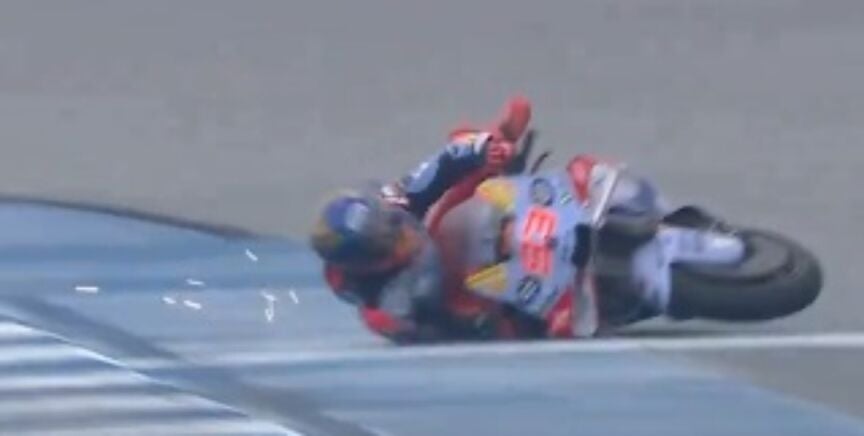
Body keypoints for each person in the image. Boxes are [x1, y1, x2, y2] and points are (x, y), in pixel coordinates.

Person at [308, 97, 531, 344]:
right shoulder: (389, 303)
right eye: (388, 243)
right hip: (444, 293)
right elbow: (428, 333)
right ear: (367, 266)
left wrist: (483, 150)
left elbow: (439, 165)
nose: (405, 237)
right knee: (478, 317)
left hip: (446, 239)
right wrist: (478, 324)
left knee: (465, 155)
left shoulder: (394, 203)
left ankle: (498, 138)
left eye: (392, 223)